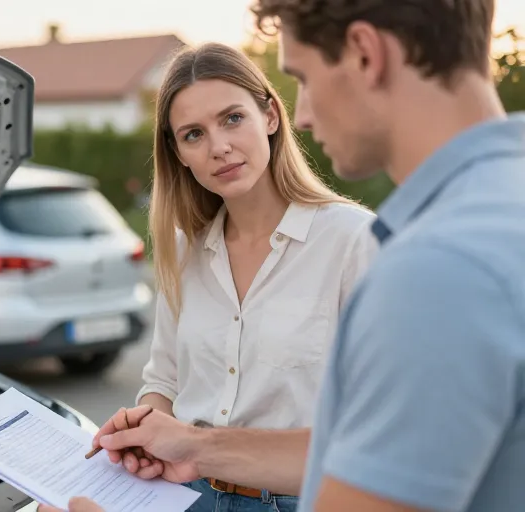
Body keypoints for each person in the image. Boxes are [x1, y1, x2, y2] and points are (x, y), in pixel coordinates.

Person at [39, 0, 525, 511]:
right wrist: (196, 448)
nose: (304, 115)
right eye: (194, 134)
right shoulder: (491, 215)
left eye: (303, 79)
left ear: (366, 53)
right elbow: (366, 452)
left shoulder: (435, 261)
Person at [133, 40, 377, 512]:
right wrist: (140, 431)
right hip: (188, 495)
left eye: (232, 118)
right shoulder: (183, 251)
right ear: (178, 152)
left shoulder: (353, 241)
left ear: (269, 116)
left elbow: (382, 416)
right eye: (193, 134)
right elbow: (164, 380)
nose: (219, 147)